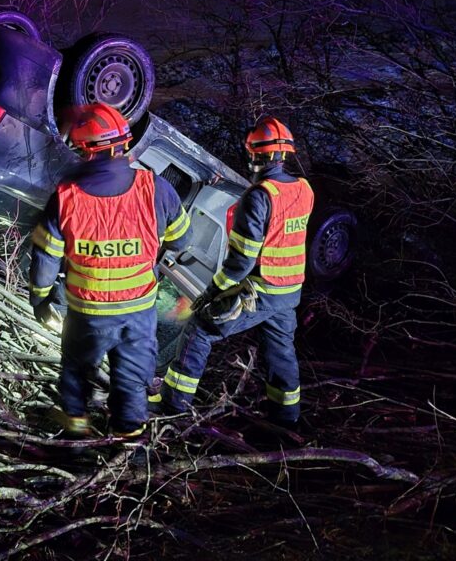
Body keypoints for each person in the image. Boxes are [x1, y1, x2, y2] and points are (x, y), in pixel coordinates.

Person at [29, 103, 191, 438]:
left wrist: (41, 300)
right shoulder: (156, 189)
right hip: (137, 311)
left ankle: (75, 433)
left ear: (83, 149)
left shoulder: (66, 197)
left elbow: (45, 259)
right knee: (132, 380)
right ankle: (128, 447)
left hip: (87, 314)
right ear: (124, 142)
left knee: (75, 370)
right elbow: (181, 241)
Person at [160, 116, 314, 427]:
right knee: (281, 350)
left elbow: (241, 261)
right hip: (290, 291)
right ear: (284, 154)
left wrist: (214, 291)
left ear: (258, 155)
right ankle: (286, 417)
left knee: (199, 330)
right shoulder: (304, 190)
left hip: (261, 290)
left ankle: (173, 406)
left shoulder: (259, 196)